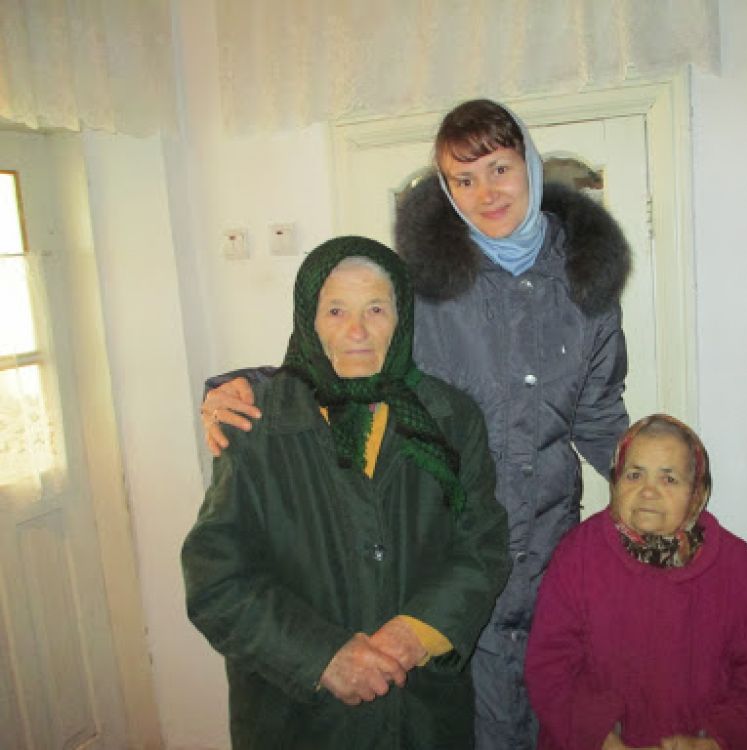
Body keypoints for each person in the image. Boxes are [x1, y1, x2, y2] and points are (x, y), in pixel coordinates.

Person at [199, 99, 631, 749]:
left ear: (531, 166)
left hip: (549, 550)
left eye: (500, 169)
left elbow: (599, 416)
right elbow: (346, 353)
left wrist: (656, 482)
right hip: (445, 542)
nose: (486, 193)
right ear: (446, 189)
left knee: (548, 711)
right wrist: (240, 388)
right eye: (464, 179)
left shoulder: (586, 286)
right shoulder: (425, 283)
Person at [182, 236, 510, 749]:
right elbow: (216, 580)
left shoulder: (451, 419)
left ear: (401, 319)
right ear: (308, 321)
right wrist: (322, 657)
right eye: (335, 310)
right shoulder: (256, 424)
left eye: (376, 309)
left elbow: (482, 548)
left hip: (421, 712)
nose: (357, 331)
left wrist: (415, 633)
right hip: (299, 719)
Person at [524, 415, 747, 750]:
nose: (648, 491)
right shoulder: (577, 554)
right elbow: (551, 668)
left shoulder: (736, 565)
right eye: (634, 474)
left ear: (697, 492)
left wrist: (714, 742)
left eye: (669, 479)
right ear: (615, 481)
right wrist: (601, 738)